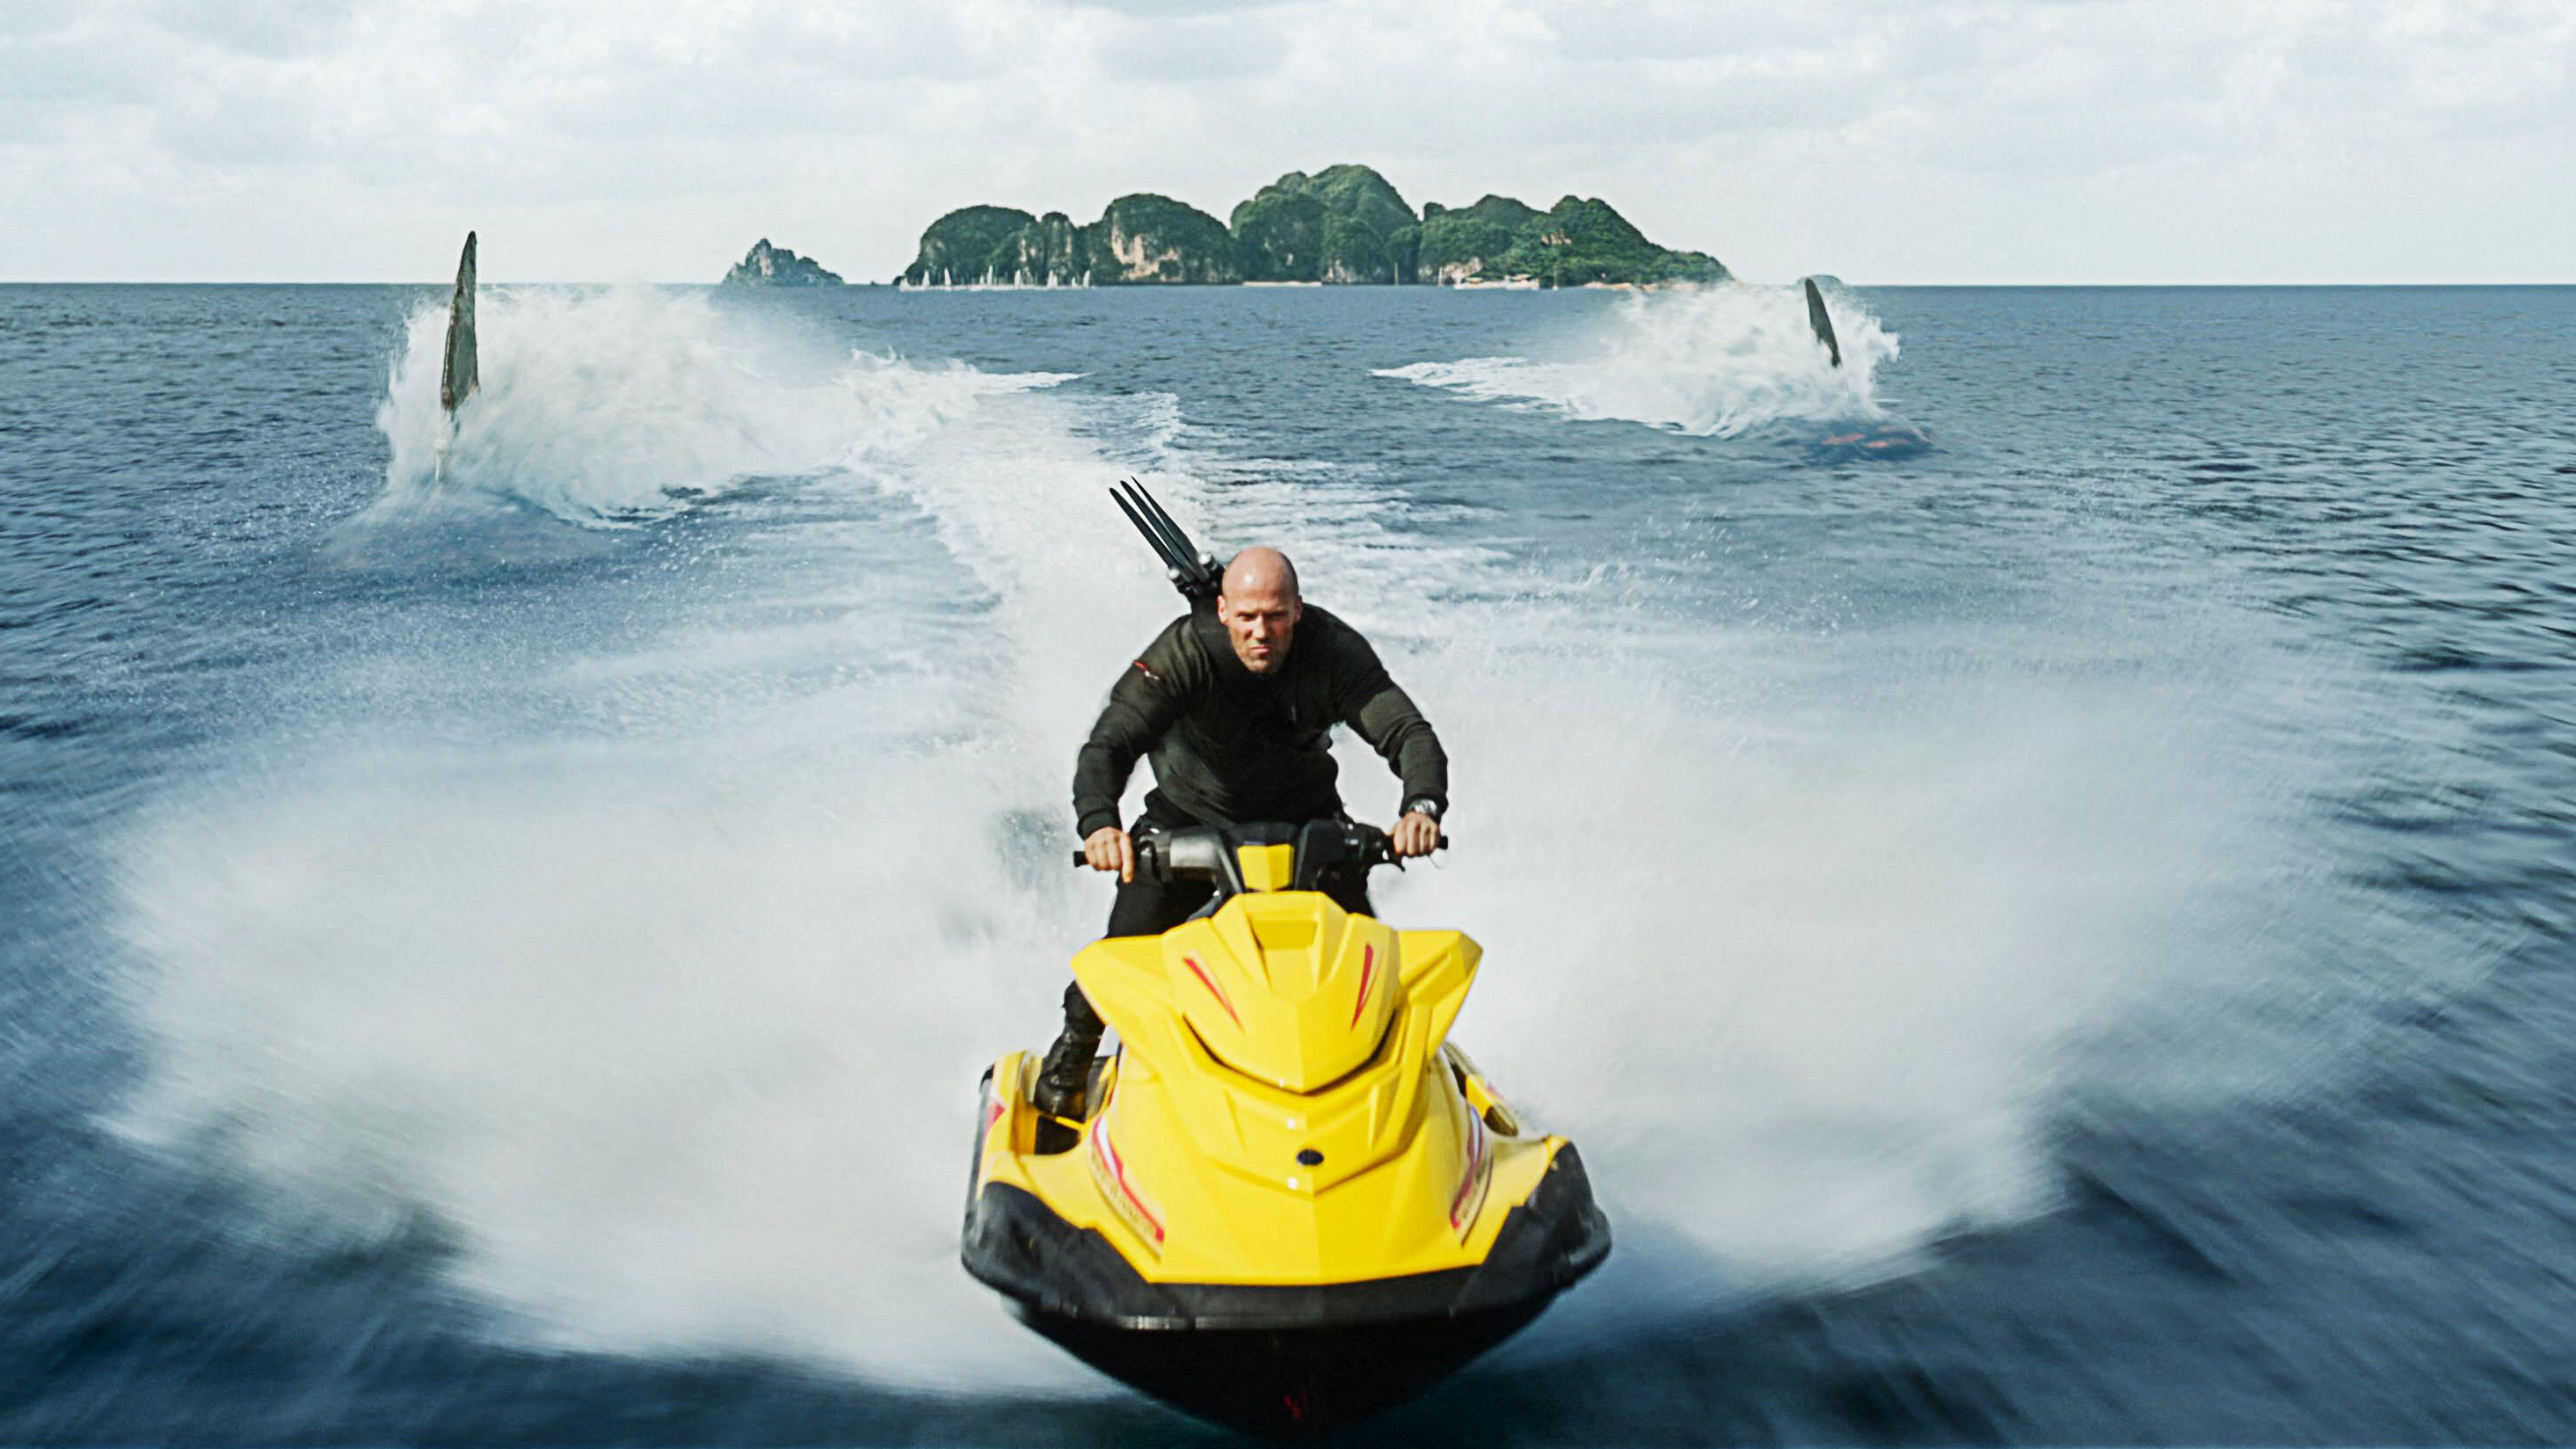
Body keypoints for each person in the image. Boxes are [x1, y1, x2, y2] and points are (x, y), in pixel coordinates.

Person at [1036, 545, 1447, 1120]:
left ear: (1297, 610)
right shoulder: (1184, 651)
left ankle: (1398, 1087)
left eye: (1275, 617)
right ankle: (1076, 1051)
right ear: (1223, 611)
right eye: (1248, 617)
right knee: (1125, 949)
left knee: (1365, 961)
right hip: (1188, 822)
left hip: (1305, 822)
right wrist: (1101, 824)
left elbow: (1407, 732)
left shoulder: (1333, 650)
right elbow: (1109, 744)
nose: (1261, 632)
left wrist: (1421, 808)